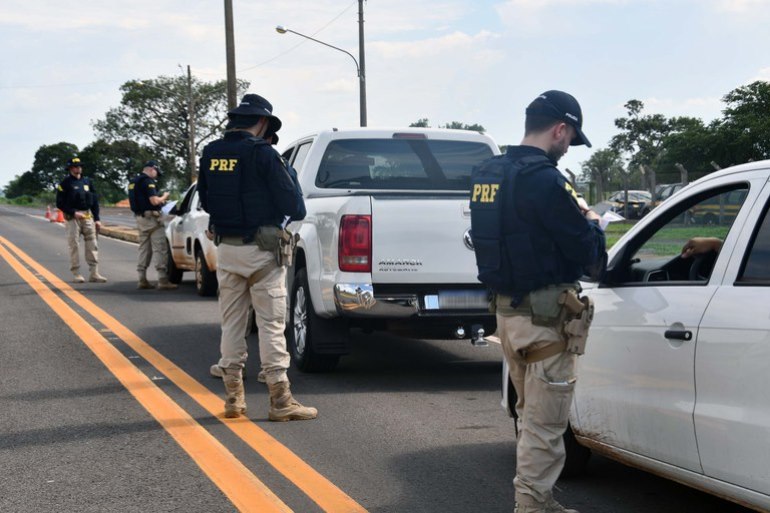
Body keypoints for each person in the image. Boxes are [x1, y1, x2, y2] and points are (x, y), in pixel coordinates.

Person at [470, 90, 606, 513]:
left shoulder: (487, 173)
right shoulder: (548, 181)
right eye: (570, 139)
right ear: (559, 129)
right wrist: (594, 223)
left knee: (530, 418)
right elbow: (591, 258)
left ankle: (538, 501)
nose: (567, 149)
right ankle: (530, 507)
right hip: (546, 320)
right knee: (546, 426)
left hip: (508, 315)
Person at [197, 93, 316, 422]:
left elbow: (206, 200)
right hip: (263, 253)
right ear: (263, 122)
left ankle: (233, 399)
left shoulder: (211, 153)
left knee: (232, 324)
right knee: (271, 325)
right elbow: (295, 207)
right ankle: (280, 400)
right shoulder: (264, 155)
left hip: (227, 250)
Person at [55, 156, 107, 283]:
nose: (78, 168)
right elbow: (59, 203)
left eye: (79, 166)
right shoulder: (65, 184)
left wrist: (97, 219)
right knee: (74, 245)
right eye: (75, 166)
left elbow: (94, 201)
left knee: (92, 244)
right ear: (70, 169)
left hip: (88, 217)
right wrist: (73, 212)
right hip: (73, 218)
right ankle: (76, 273)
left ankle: (94, 273)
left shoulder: (87, 182)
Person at [127, 160, 177, 290]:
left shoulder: (133, 182)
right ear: (151, 169)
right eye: (156, 172)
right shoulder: (148, 182)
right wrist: (164, 197)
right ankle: (162, 280)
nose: (156, 175)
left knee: (144, 249)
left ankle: (142, 278)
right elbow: (154, 201)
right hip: (152, 219)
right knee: (160, 248)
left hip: (140, 218)